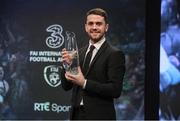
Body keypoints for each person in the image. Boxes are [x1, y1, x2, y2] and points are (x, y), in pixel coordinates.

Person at [61, 8, 125, 120]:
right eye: (91, 24)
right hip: (76, 116)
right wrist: (66, 65)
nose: (94, 27)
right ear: (86, 27)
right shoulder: (78, 53)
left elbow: (115, 90)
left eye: (98, 24)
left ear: (106, 27)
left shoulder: (115, 54)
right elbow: (66, 86)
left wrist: (84, 83)